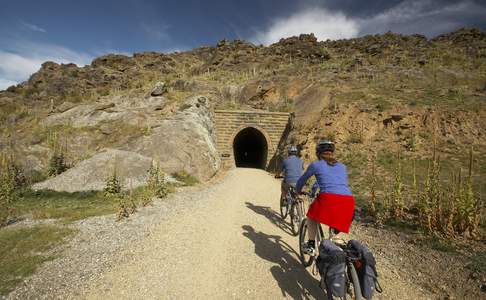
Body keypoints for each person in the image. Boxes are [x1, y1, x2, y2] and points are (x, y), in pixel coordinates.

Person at [295, 140, 355, 255]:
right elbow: (334, 182)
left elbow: (302, 180)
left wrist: (298, 191)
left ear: (318, 153)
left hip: (329, 199)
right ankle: (335, 241)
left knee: (311, 216)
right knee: (335, 230)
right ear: (332, 152)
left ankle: (311, 245)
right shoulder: (342, 166)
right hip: (348, 201)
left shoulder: (316, 164)